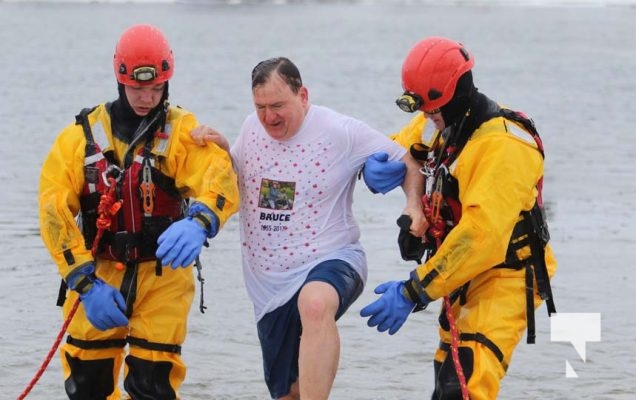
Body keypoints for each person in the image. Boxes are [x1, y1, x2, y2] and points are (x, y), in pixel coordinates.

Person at [192, 57, 426, 400]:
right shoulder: (251, 128)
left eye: (277, 105)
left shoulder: (339, 131)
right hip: (268, 287)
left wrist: (413, 206)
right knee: (289, 394)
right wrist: (220, 151)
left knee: (315, 304)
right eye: (260, 107)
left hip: (333, 258)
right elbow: (238, 183)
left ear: (303, 95)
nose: (269, 117)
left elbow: (409, 163)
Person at [38, 24, 239, 399]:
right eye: (137, 88)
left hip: (162, 277)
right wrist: (83, 283)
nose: (147, 98)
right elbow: (53, 212)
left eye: (155, 88)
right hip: (98, 275)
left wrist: (201, 221)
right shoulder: (78, 140)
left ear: (166, 84)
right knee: (87, 384)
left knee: (153, 385)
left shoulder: (183, 133)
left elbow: (219, 178)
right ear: (120, 81)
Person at [359, 36, 557, 399]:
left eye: (432, 110)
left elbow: (480, 238)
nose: (426, 119)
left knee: (462, 385)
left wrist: (413, 290)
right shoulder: (445, 122)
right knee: (447, 378)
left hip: (506, 275)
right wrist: (374, 166)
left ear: (453, 95)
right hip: (462, 277)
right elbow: (401, 148)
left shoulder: (503, 147)